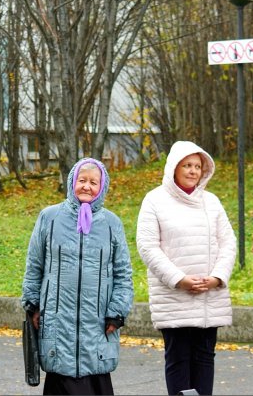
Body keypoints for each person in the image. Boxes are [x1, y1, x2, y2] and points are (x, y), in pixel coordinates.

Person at [21, 158, 133, 395]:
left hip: (99, 324)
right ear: (72, 181)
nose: (87, 186)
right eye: (82, 180)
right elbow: (35, 265)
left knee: (94, 379)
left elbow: (124, 274)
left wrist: (117, 312)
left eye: (94, 182)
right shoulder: (49, 218)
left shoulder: (112, 223)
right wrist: (33, 305)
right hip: (57, 322)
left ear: (102, 187)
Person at [136, 140, 237, 396]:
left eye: (198, 166)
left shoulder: (211, 202)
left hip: (208, 296)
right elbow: (148, 247)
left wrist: (217, 277)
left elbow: (228, 242)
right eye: (187, 165)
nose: (193, 171)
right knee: (178, 359)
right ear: (173, 167)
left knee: (205, 357)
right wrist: (179, 279)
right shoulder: (154, 200)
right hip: (174, 297)